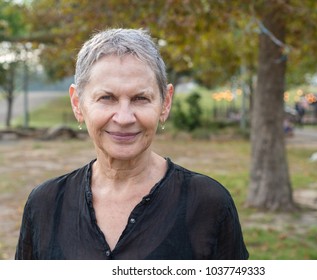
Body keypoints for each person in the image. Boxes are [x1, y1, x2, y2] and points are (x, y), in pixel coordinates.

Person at [15, 28, 249, 260]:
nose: (124, 118)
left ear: (165, 103)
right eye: (107, 98)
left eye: (140, 98)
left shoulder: (208, 205)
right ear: (77, 103)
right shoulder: (44, 205)